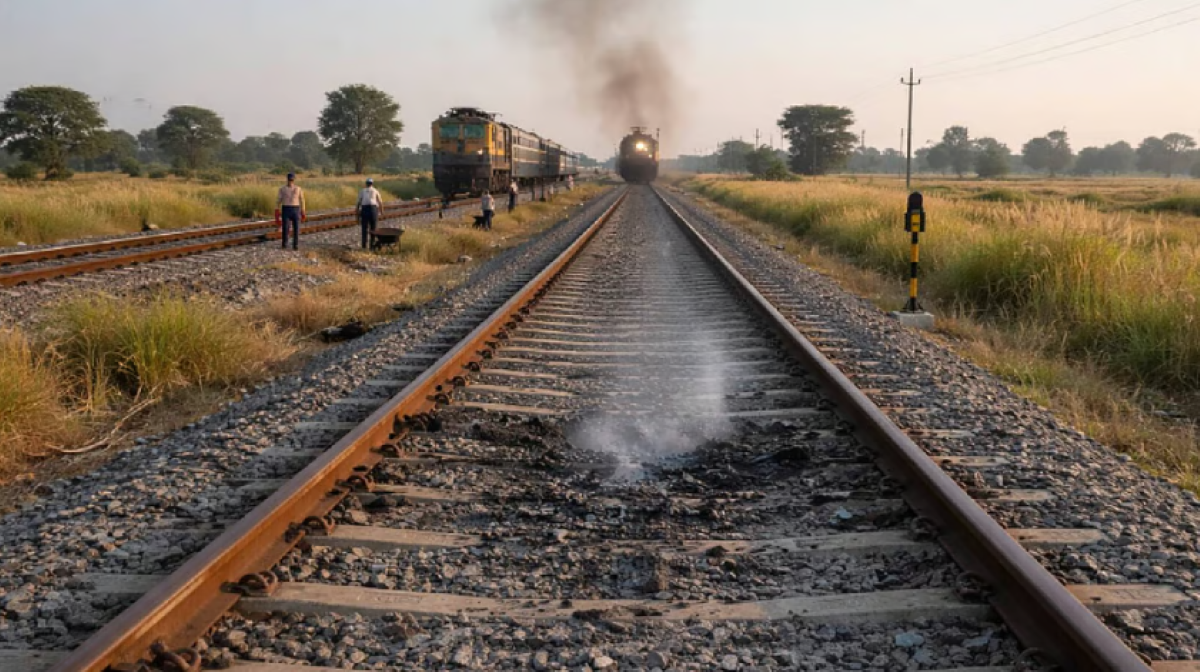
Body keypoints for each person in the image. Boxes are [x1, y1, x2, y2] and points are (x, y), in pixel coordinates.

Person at [276, 173, 306, 250]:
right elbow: (278, 201)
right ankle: (284, 244)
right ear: (287, 180)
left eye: (292, 180)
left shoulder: (298, 188)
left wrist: (303, 210)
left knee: (296, 228)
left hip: (296, 209)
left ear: (294, 180)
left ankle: (295, 245)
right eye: (289, 180)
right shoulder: (282, 189)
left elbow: (302, 200)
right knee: (285, 228)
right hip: (286, 209)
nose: (291, 181)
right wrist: (277, 210)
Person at [356, 178, 384, 249]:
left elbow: (358, 203)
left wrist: (357, 215)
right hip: (373, 209)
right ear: (372, 184)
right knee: (373, 228)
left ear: (366, 184)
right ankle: (372, 246)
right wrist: (382, 212)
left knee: (364, 228)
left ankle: (364, 246)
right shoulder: (375, 190)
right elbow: (380, 202)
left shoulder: (362, 191)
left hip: (365, 209)